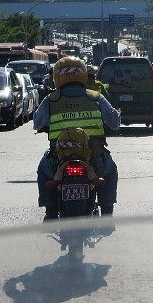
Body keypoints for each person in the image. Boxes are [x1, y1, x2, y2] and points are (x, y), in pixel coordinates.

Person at [34, 56, 121, 218]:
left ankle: (50, 211)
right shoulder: (96, 97)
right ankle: (107, 211)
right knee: (110, 171)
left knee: (43, 170)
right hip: (95, 162)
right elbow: (115, 123)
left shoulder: (50, 100)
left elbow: (37, 124)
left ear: (57, 77)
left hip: (57, 163)